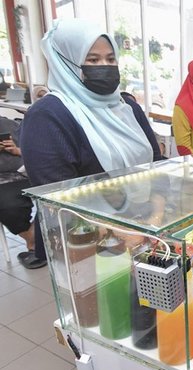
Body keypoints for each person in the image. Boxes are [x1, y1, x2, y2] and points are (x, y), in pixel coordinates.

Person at [19, 19, 162, 269]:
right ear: (66, 63)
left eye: (110, 59)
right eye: (93, 60)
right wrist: (120, 234)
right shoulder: (48, 117)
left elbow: (158, 165)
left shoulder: (128, 108)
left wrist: (156, 215)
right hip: (89, 247)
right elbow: (58, 203)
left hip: (146, 230)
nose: (104, 67)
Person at [0, 117, 35, 256]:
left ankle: (38, 236)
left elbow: (34, 151)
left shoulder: (9, 124)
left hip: (23, 172)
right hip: (3, 182)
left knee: (53, 194)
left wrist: (16, 150)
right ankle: (33, 240)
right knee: (10, 207)